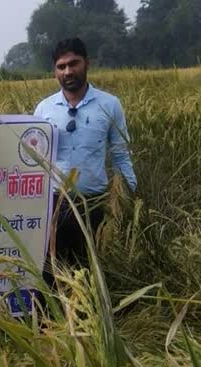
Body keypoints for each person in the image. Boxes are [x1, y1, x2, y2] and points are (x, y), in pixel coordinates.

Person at [34, 37, 136, 266]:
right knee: (53, 273)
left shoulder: (109, 105)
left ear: (87, 63)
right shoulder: (44, 109)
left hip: (94, 206)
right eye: (61, 67)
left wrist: (128, 198)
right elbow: (35, 159)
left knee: (92, 271)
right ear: (55, 72)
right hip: (54, 207)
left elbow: (120, 154)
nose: (68, 71)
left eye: (74, 64)